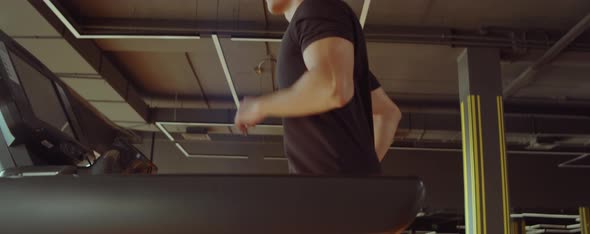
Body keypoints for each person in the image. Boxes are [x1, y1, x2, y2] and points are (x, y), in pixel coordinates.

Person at [234, 0, 402, 175]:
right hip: (331, 192)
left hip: (330, 193)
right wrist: (362, 175)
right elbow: (389, 112)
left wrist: (260, 106)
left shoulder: (316, 8)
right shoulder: (322, 30)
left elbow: (332, 87)